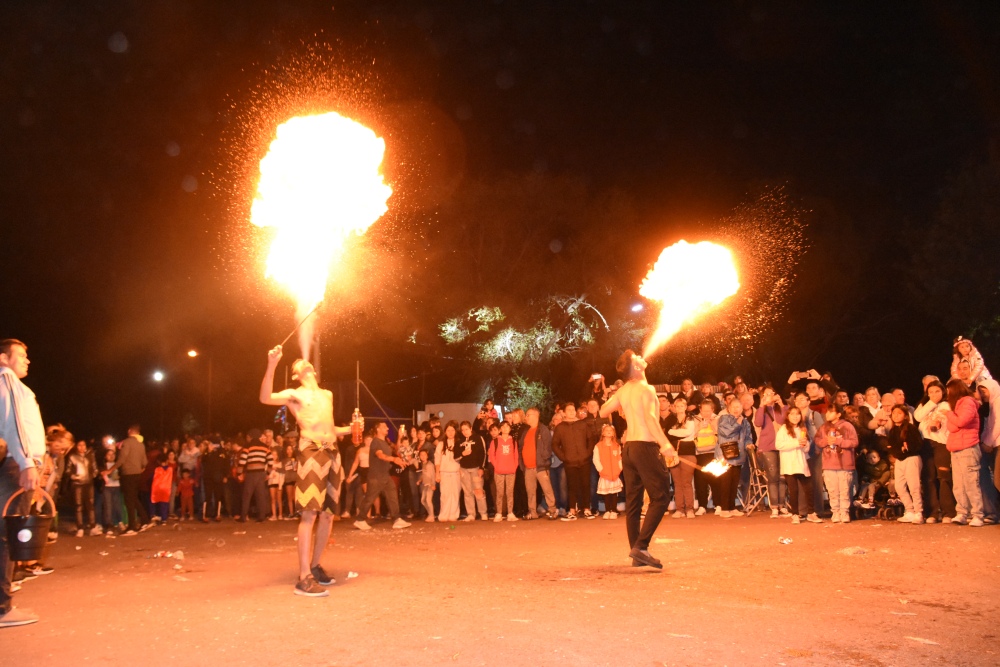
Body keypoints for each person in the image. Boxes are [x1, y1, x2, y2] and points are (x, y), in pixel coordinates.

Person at [260, 346, 356, 597]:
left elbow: (331, 428)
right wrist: (272, 364)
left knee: (327, 515)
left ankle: (315, 566)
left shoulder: (327, 394)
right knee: (309, 514)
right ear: (295, 375)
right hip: (311, 451)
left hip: (332, 452)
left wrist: (351, 429)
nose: (303, 363)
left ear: (312, 369)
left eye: (305, 361)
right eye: (297, 365)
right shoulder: (295, 393)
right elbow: (265, 397)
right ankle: (303, 577)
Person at [599, 350, 674, 569]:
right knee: (661, 497)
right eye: (637, 358)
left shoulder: (624, 390)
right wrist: (665, 444)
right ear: (637, 368)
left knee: (634, 502)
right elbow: (651, 419)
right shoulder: (646, 389)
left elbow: (604, 410)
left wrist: (622, 406)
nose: (642, 357)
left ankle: (636, 552)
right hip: (644, 446)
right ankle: (641, 547)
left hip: (629, 448)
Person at [0, 339, 46, 627]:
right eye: (22, 355)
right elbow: (15, 424)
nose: (27, 360)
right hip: (17, 465)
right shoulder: (7, 379)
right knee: (8, 533)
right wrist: (28, 462)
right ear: (4, 357)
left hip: (17, 461)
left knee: (6, 532)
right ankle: (3, 607)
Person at [354, 422, 410, 531]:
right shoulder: (376, 442)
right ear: (378, 429)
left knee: (392, 494)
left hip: (385, 475)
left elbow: (396, 450)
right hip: (376, 476)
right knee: (370, 498)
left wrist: (399, 437)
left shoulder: (385, 442)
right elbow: (380, 455)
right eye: (384, 427)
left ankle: (397, 519)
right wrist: (394, 459)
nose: (387, 428)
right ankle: (360, 519)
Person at [942, 379, 984, 526]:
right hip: (956, 448)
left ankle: (977, 514)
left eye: (949, 392)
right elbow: (952, 428)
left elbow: (961, 422)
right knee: (959, 484)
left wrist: (949, 414)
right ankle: (962, 513)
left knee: (971, 483)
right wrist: (952, 416)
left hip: (968, 448)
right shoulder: (956, 406)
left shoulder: (968, 402)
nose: (947, 395)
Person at [775, 407, 822, 524]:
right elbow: (779, 445)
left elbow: (805, 449)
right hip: (789, 464)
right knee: (793, 490)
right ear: (788, 416)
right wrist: (796, 443)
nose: (795, 416)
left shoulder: (802, 429)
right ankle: (795, 514)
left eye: (798, 414)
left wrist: (805, 444)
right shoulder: (784, 429)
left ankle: (811, 513)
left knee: (809, 488)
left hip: (801, 462)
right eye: (792, 414)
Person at [914, 380, 952, 523]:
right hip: (926, 444)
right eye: (931, 392)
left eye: (937, 391)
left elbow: (942, 419)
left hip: (941, 443)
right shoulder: (925, 404)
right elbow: (918, 417)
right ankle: (933, 512)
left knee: (944, 477)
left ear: (943, 391)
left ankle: (948, 512)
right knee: (928, 478)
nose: (934, 394)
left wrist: (935, 423)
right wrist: (931, 402)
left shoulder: (946, 404)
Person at [814, 404, 858, 523]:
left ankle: (844, 511)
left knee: (844, 489)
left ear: (838, 414)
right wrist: (826, 441)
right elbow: (817, 440)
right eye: (827, 412)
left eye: (831, 412)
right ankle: (835, 511)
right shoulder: (824, 427)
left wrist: (839, 441)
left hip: (844, 463)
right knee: (832, 489)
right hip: (829, 463)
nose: (827, 414)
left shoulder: (847, 426)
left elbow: (854, 442)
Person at [552, 403, 596, 520]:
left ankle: (586, 509)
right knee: (571, 486)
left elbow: (591, 439)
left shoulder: (582, 424)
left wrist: (587, 454)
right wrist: (564, 457)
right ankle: (572, 510)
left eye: (573, 410)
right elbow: (555, 445)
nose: (571, 412)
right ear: (564, 413)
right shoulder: (560, 427)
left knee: (586, 485)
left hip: (584, 460)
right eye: (569, 410)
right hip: (570, 462)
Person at [754, 385, 788, 517]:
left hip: (783, 446)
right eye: (766, 394)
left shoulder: (782, 408)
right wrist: (762, 406)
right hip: (768, 447)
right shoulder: (761, 409)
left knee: (783, 477)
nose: (769, 396)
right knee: (773, 477)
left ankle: (782, 505)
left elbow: (789, 420)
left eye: (771, 393)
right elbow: (758, 423)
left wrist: (781, 403)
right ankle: (774, 506)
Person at [109, 424, 150, 535]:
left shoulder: (126, 443)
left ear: (129, 431)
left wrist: (110, 470)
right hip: (137, 474)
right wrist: (140, 469)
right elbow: (145, 462)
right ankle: (145, 519)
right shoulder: (141, 445)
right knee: (134, 498)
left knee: (129, 501)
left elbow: (121, 459)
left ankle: (132, 526)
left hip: (128, 474)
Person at [886, 406, 924, 524]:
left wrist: (906, 448)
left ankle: (919, 512)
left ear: (905, 415)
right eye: (894, 413)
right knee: (899, 486)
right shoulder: (892, 430)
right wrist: (900, 450)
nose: (896, 415)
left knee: (914, 486)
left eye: (899, 413)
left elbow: (917, 445)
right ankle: (909, 510)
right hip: (900, 460)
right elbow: (892, 447)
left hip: (912, 458)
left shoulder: (911, 428)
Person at [716, 397, 753, 517]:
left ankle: (732, 507)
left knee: (734, 482)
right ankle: (724, 508)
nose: (736, 409)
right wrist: (738, 423)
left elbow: (748, 436)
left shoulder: (745, 421)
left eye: (738, 407)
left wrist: (749, 444)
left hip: (739, 455)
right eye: (734, 407)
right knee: (725, 482)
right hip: (725, 455)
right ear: (728, 408)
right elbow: (727, 432)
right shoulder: (724, 418)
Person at [519, 407, 557, 520]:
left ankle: (552, 510)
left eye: (528, 415)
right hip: (528, 467)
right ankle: (532, 512)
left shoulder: (543, 430)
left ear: (536, 416)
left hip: (540, 467)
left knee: (547, 489)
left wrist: (543, 460)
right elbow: (521, 448)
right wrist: (522, 464)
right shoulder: (525, 431)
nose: (526, 417)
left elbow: (547, 447)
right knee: (530, 491)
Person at [664, 397, 697, 518]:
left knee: (687, 483)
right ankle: (679, 509)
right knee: (677, 483)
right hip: (673, 454)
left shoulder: (690, 419)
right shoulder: (670, 419)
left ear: (685, 406)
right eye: (677, 406)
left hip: (688, 453)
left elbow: (687, 433)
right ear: (674, 407)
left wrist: (674, 432)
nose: (679, 408)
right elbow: (667, 433)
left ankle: (689, 509)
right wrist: (675, 432)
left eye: (682, 406)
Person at [691, 399, 720, 515]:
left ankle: (718, 504)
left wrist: (713, 426)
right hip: (700, 454)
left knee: (715, 479)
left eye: (709, 411)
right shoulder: (695, 420)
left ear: (712, 410)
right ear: (700, 410)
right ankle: (702, 506)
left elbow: (720, 434)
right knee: (700, 481)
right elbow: (691, 435)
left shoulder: (717, 419)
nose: (706, 413)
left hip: (713, 453)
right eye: (704, 411)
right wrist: (699, 427)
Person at [239, 429, 273, 522]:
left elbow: (242, 461)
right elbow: (270, 461)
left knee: (247, 495)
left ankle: (243, 517)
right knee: (260, 495)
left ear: (251, 436)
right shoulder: (265, 447)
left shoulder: (248, 446)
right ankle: (261, 516)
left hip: (251, 473)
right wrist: (268, 473)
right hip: (261, 473)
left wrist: (239, 473)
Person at [68, 439, 100, 537]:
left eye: (83, 445)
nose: (82, 447)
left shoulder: (90, 456)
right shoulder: (72, 457)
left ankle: (92, 527)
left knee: (90, 505)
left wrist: (94, 474)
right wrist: (72, 476)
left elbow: (95, 467)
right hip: (77, 484)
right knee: (78, 505)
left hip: (89, 483)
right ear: (76, 447)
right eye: (79, 445)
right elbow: (68, 470)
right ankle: (80, 528)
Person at [457, 421, 488, 521]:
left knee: (478, 491)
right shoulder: (459, 441)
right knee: (467, 492)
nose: (465, 432)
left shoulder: (478, 438)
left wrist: (481, 468)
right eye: (462, 430)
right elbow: (455, 456)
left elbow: (483, 453)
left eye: (466, 429)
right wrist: (462, 453)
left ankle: (483, 513)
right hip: (464, 469)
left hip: (475, 469)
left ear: (470, 428)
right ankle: (471, 514)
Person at [489, 421, 519, 521]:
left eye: (507, 426)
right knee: (500, 492)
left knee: (510, 492)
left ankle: (510, 512)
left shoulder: (513, 441)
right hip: (499, 471)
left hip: (511, 470)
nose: (505, 428)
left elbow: (516, 455)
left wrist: (514, 467)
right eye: (503, 427)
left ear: (510, 429)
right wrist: (496, 466)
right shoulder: (495, 441)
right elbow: (491, 455)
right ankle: (499, 513)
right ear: (500, 429)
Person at [592, 424, 623, 519]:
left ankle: (613, 510)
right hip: (605, 473)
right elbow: (596, 459)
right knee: (607, 493)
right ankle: (607, 510)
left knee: (614, 493)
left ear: (614, 433)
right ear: (603, 433)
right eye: (607, 430)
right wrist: (601, 469)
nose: (609, 431)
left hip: (615, 473)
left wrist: (619, 468)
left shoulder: (616, 445)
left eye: (611, 430)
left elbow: (619, 458)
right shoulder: (598, 446)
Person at [434, 421, 462, 522]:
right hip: (444, 472)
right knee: (444, 495)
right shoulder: (441, 444)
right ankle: (443, 514)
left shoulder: (459, 443)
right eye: (448, 430)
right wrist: (437, 473)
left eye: (452, 430)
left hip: (456, 472)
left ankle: (453, 515)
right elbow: (437, 460)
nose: (450, 432)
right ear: (445, 432)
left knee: (455, 494)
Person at [99, 447, 123, 534]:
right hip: (107, 487)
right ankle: (109, 525)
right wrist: (104, 474)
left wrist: (119, 476)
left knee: (117, 505)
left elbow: (121, 475)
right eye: (109, 454)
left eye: (113, 454)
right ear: (105, 456)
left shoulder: (118, 465)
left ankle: (120, 522)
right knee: (108, 506)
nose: (111, 456)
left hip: (117, 486)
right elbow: (101, 475)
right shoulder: (103, 466)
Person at [150, 450, 176, 523]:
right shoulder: (170, 469)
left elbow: (152, 477)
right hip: (166, 489)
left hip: (156, 489)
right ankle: (164, 518)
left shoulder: (157, 469)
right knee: (164, 504)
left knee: (155, 503)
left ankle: (154, 516)